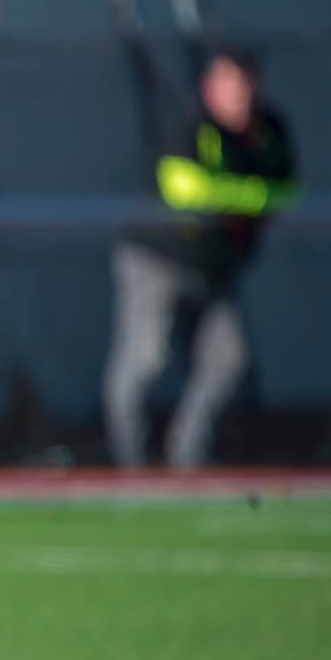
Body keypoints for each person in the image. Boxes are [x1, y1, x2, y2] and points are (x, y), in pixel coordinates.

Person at [104, 49, 296, 468]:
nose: (239, 97)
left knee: (229, 359)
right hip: (158, 260)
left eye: (245, 87)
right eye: (229, 86)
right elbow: (183, 188)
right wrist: (250, 196)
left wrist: (244, 196)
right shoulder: (190, 124)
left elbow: (288, 189)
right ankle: (128, 464)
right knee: (146, 359)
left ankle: (187, 458)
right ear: (211, 87)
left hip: (216, 269)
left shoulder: (269, 130)